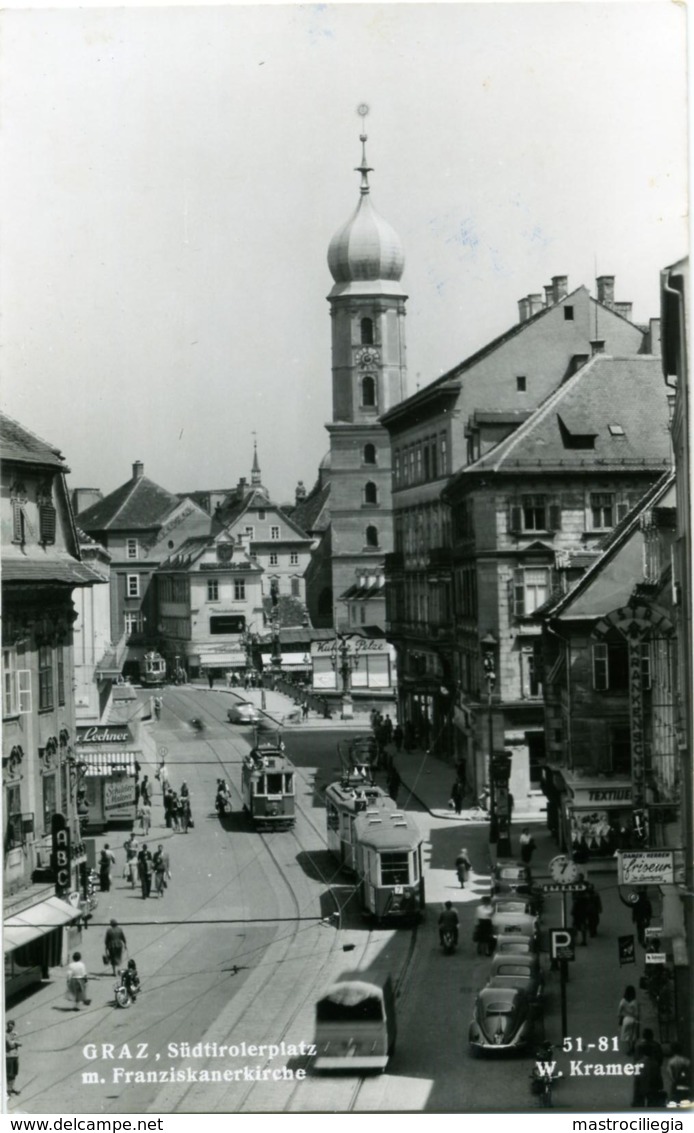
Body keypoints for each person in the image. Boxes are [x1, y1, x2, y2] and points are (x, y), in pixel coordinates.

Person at [632, 1035, 664, 1107]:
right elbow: (658, 1077)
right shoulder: (655, 1064)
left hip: (641, 1087)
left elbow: (636, 1078)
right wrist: (660, 1086)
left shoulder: (639, 1063)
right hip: (652, 1087)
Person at [618, 985, 640, 1055]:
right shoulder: (634, 1002)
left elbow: (619, 1013)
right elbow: (637, 1013)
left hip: (626, 1019)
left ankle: (630, 1047)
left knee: (626, 1035)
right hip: (633, 1020)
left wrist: (620, 1019)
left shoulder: (623, 1001)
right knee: (633, 1035)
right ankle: (633, 1047)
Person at [6, 1021, 21, 1097]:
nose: (10, 1027)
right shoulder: (5, 1034)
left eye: (11, 1026)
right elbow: (10, 1045)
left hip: (15, 1056)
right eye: (9, 1026)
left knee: (14, 1073)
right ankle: (8, 1089)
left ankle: (12, 1088)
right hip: (8, 1056)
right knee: (9, 1073)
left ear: (13, 1026)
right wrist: (15, 1042)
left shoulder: (15, 1033)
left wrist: (14, 1042)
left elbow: (21, 1043)